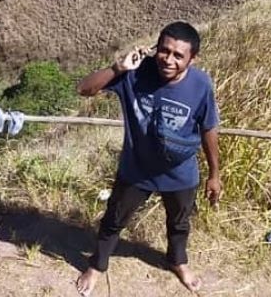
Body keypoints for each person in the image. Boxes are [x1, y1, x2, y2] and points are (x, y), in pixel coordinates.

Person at [74, 21, 221, 295]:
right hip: (137, 170)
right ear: (156, 49)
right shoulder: (135, 73)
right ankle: (97, 265)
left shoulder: (201, 84)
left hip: (181, 173)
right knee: (114, 220)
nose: (168, 60)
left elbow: (208, 127)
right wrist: (119, 67)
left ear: (193, 58)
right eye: (164, 51)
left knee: (179, 223)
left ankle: (177, 261)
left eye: (179, 55)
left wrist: (215, 174)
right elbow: (84, 89)